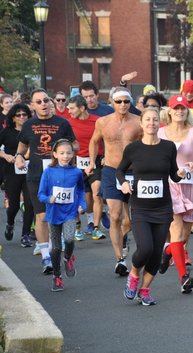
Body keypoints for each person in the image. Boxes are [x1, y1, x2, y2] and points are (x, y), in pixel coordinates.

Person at [119, 108, 185, 305]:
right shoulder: (133, 149)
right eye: (147, 119)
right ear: (141, 123)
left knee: (156, 254)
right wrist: (123, 182)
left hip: (163, 207)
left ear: (160, 123)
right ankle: (133, 274)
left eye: (155, 120)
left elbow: (173, 174)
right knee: (145, 248)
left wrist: (180, 174)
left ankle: (145, 290)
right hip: (140, 207)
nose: (151, 123)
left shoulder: (168, 147)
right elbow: (119, 171)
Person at [15, 89, 79, 274]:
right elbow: (23, 144)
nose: (43, 104)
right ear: (33, 106)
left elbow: (75, 144)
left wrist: (66, 149)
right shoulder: (29, 125)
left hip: (60, 175)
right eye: (39, 102)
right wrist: (19, 156)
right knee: (42, 216)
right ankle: (46, 257)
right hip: (36, 175)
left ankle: (59, 248)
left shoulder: (62, 123)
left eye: (45, 100)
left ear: (51, 103)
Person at [86, 89, 143, 276]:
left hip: (133, 172)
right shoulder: (103, 122)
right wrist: (92, 162)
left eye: (126, 101)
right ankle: (120, 260)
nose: (123, 105)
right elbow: (94, 142)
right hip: (111, 171)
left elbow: (147, 144)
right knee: (115, 216)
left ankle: (124, 237)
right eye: (118, 101)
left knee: (132, 220)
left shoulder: (138, 121)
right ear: (111, 102)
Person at [157, 95, 193, 293]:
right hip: (169, 184)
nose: (179, 111)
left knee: (185, 234)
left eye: (183, 108)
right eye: (176, 108)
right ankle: (184, 278)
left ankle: (169, 250)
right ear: (169, 111)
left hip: (189, 184)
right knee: (177, 229)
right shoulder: (161, 133)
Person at [38, 139, 86, 292]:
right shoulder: (48, 172)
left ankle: (68, 258)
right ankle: (57, 277)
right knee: (56, 248)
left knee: (69, 238)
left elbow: (80, 191)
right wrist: (48, 199)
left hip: (70, 212)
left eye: (69, 153)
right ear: (55, 154)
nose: (65, 156)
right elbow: (41, 194)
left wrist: (82, 205)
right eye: (62, 153)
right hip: (53, 213)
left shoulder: (77, 172)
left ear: (73, 154)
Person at [67, 95, 105, 241]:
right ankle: (77, 227)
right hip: (76, 163)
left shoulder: (97, 121)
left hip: (95, 161)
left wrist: (106, 156)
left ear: (82, 108)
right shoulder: (68, 123)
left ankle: (96, 228)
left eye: (72, 108)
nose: (69, 111)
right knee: (80, 197)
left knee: (97, 193)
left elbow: (106, 140)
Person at [0, 104, 35, 247]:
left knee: (29, 204)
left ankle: (25, 234)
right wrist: (6, 156)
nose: (22, 117)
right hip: (11, 170)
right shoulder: (6, 132)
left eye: (24, 114)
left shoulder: (32, 130)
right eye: (18, 115)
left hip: (30, 170)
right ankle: (10, 223)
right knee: (13, 204)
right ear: (13, 118)